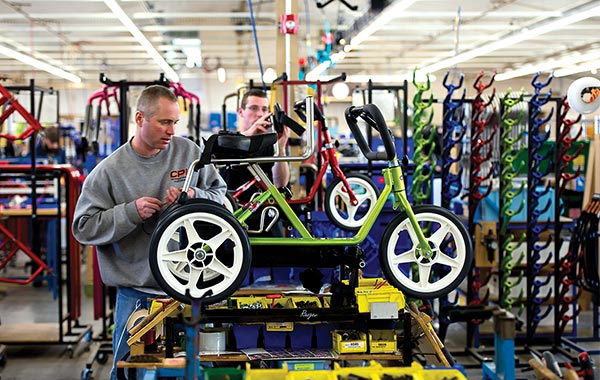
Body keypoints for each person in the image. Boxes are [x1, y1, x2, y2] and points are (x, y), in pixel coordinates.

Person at [71, 85, 226, 379]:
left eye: (174, 123)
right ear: (140, 118)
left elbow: (222, 197)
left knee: (191, 373)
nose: (171, 130)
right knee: (130, 373)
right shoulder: (109, 171)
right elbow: (83, 227)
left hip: (187, 291)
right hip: (137, 296)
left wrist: (194, 194)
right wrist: (130, 212)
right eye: (164, 122)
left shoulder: (189, 153)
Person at [221, 88, 290, 204]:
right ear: (240, 111)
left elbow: (280, 184)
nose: (260, 114)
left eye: (264, 109)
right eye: (253, 108)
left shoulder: (270, 145)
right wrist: (249, 134)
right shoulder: (226, 140)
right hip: (231, 208)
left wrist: (281, 148)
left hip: (263, 207)